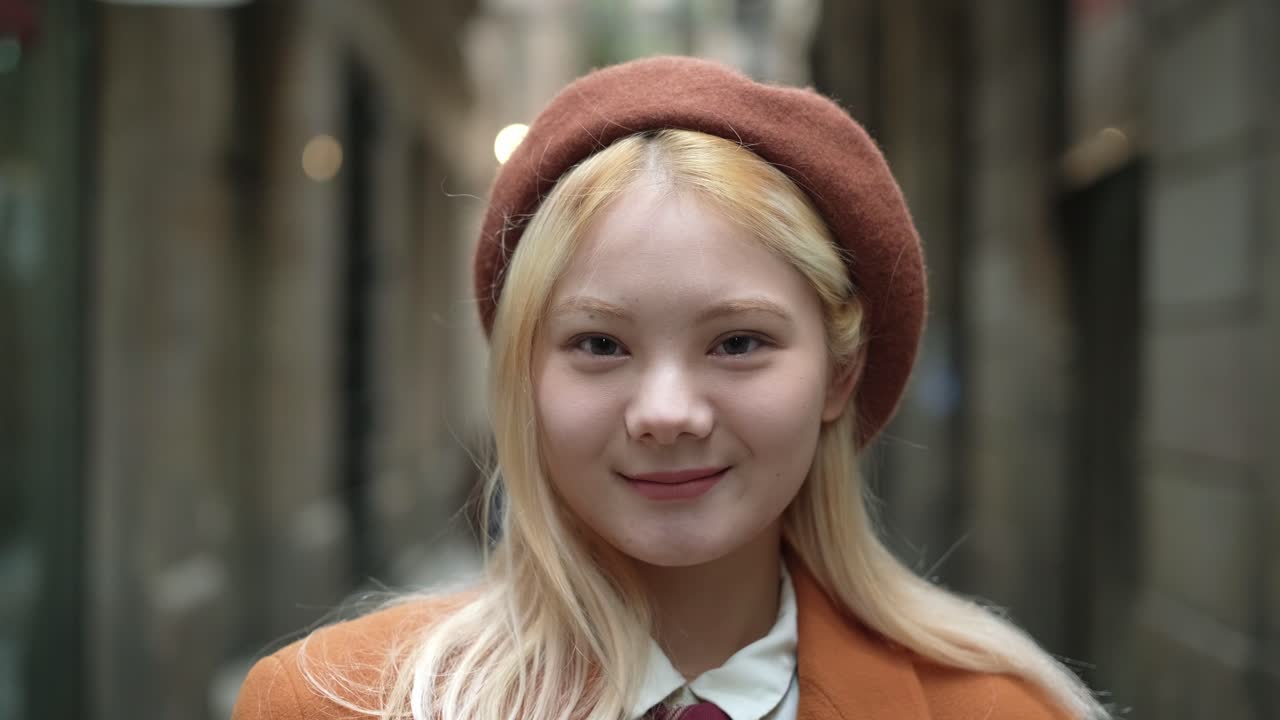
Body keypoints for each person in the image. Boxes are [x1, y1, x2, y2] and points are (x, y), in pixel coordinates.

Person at [231, 56, 1110, 720]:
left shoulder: (999, 711)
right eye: (599, 344)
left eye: (737, 342)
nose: (665, 414)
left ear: (840, 372)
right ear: (525, 380)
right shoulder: (328, 706)